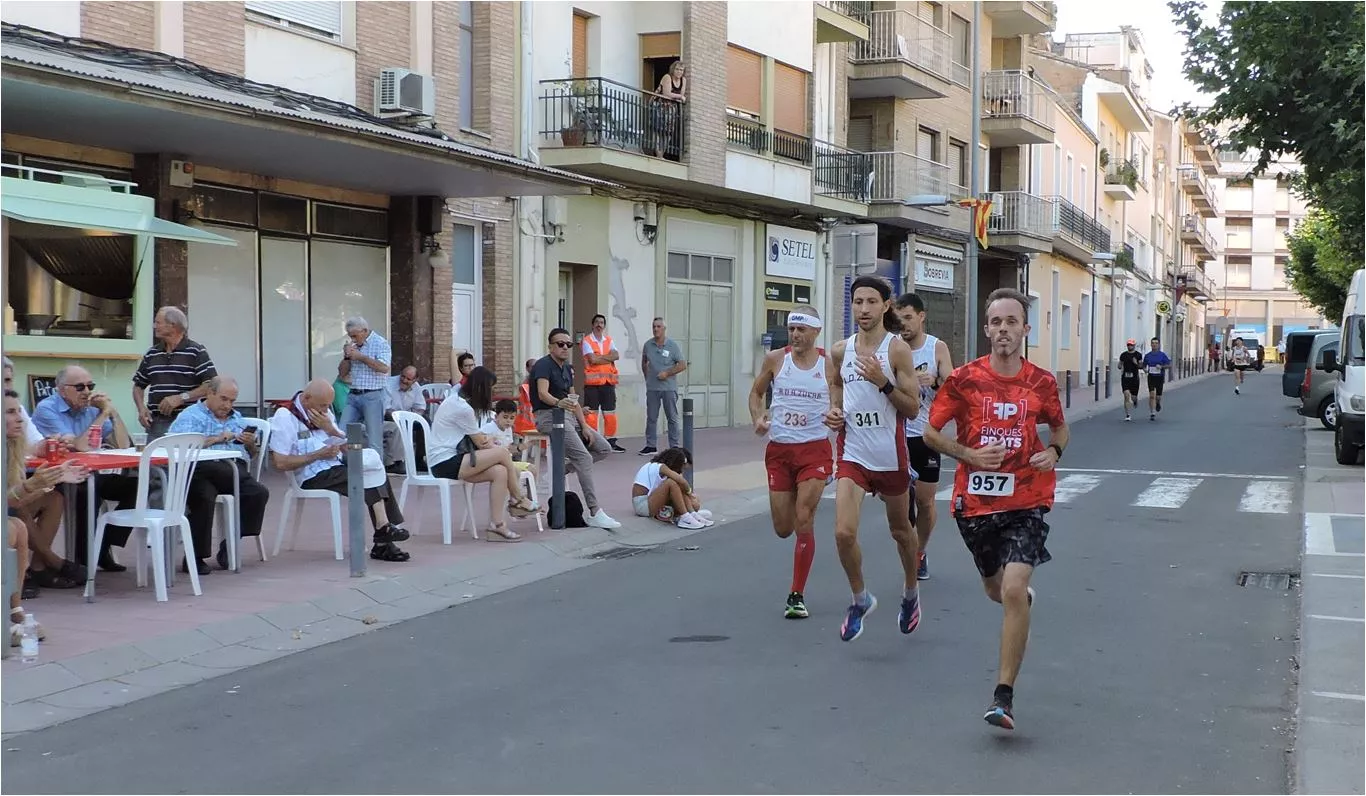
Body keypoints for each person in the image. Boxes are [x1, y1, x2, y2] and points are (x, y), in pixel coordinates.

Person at [923, 287, 1069, 731]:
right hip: (977, 504)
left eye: (1012, 322)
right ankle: (1016, 600)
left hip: (1027, 498)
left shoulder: (1042, 382)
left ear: (1025, 330)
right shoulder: (964, 379)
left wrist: (1054, 454)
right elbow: (931, 434)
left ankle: (1003, 696)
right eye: (996, 323)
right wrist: (967, 455)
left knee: (1012, 587)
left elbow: (1059, 430)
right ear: (986, 329)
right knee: (997, 590)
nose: (1004, 330)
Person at [823, 276, 922, 643]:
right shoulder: (839, 350)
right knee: (843, 533)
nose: (863, 309)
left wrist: (883, 382)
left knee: (901, 531)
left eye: (871, 302)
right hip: (853, 454)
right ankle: (860, 598)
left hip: (890, 454)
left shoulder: (897, 351)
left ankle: (911, 592)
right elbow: (836, 386)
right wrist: (834, 411)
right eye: (857, 302)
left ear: (885, 306)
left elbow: (912, 410)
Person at [269, 379, 412, 562]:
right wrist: (317, 455)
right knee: (362, 478)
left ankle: (384, 537)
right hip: (309, 475)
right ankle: (384, 536)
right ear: (306, 399)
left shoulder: (325, 414)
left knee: (375, 470)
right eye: (322, 405)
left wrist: (331, 430)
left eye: (328, 406)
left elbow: (348, 447)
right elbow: (280, 462)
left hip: (334, 466)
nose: (325, 410)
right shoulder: (286, 416)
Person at [749, 307, 832, 619]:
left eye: (802, 329)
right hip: (780, 451)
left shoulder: (829, 363)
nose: (795, 335)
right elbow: (756, 394)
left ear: (816, 332)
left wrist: (838, 413)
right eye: (792, 329)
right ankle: (797, 506)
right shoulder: (775, 360)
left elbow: (844, 398)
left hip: (814, 451)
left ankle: (796, 594)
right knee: (783, 528)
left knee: (803, 519)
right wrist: (757, 418)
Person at [31, 365, 138, 572]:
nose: (87, 392)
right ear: (62, 390)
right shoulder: (47, 409)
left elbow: (123, 446)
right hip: (57, 475)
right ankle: (85, 559)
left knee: (138, 485)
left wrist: (113, 413)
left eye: (91, 386)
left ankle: (103, 545)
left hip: (89, 473)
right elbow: (81, 446)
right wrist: (102, 414)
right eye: (80, 387)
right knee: (89, 490)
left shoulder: (91, 409)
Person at [170, 376, 272, 572]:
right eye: (224, 399)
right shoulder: (191, 416)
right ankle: (195, 558)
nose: (227, 405)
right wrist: (218, 438)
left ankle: (230, 545)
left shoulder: (237, 418)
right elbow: (178, 447)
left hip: (234, 470)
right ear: (210, 394)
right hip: (200, 469)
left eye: (232, 401)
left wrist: (249, 443)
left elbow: (252, 455)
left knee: (259, 493)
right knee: (204, 495)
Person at [427, 367, 539, 542]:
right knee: (502, 453)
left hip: (455, 458)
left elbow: (480, 440)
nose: (491, 394)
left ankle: (497, 526)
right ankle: (518, 499)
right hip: (445, 462)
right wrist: (491, 443)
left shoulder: (457, 395)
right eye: (490, 389)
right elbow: (481, 443)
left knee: (500, 472)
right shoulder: (463, 408)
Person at [531, 328, 621, 529]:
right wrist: (558, 403)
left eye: (568, 345)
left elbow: (574, 399)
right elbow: (543, 393)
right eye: (560, 344)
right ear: (550, 346)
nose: (565, 348)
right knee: (584, 457)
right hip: (548, 416)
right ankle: (595, 510)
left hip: (568, 416)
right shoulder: (543, 365)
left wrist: (585, 426)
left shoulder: (566, 368)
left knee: (603, 448)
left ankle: (558, 471)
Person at [895, 293, 953, 581]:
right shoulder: (892, 348)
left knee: (926, 502)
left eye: (907, 318)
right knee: (901, 502)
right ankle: (910, 548)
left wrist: (937, 381)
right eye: (898, 319)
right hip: (895, 435)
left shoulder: (936, 348)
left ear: (921, 316)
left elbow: (954, 391)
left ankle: (920, 550)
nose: (903, 324)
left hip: (925, 435)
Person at [6, 390, 88, 594]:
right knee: (16, 522)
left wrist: (53, 479)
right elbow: (10, 501)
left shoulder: (14, 445)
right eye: (10, 412)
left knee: (54, 498)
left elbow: (14, 498)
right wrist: (34, 484)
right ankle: (51, 562)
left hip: (9, 504)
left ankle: (39, 567)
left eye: (19, 411)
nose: (20, 418)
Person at [132, 306, 218, 438]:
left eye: (158, 322)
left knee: (186, 458)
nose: (155, 326)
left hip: (190, 420)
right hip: (157, 422)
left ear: (172, 325)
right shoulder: (152, 353)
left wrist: (181, 398)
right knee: (157, 458)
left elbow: (211, 385)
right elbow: (138, 385)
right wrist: (141, 409)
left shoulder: (195, 351)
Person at [339, 317, 392, 456]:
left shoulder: (380, 343)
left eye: (355, 336)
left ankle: (378, 474)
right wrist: (347, 357)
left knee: (373, 437)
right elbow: (342, 374)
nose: (353, 339)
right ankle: (346, 466)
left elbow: (384, 368)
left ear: (364, 331)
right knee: (341, 432)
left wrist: (361, 357)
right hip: (353, 394)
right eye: (350, 336)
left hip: (373, 395)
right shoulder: (353, 346)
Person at [631, 447, 712, 530]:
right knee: (672, 482)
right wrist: (690, 494)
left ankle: (691, 514)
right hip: (642, 506)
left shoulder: (659, 467)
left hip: (650, 501)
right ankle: (685, 517)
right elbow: (682, 481)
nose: (681, 470)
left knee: (681, 489)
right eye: (681, 466)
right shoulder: (660, 466)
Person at [639, 317, 687, 456]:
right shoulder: (648, 345)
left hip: (668, 388)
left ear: (664, 329)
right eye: (654, 326)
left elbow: (682, 364)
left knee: (671, 417)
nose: (656, 329)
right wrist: (647, 376)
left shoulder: (672, 345)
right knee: (651, 417)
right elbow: (644, 361)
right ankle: (651, 445)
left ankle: (674, 446)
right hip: (653, 388)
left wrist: (667, 373)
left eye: (659, 326)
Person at [582, 314, 627, 452]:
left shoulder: (609, 340)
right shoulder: (587, 340)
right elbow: (592, 360)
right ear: (592, 324)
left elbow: (617, 355)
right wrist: (607, 357)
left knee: (610, 414)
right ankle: (592, 442)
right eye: (596, 322)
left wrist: (599, 357)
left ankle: (611, 441)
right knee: (591, 415)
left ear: (604, 325)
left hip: (608, 383)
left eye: (602, 322)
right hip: (592, 384)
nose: (599, 325)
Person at [384, 365, 426, 470]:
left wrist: (412, 418)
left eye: (408, 379)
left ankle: (419, 459)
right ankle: (398, 462)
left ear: (415, 380)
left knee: (424, 422)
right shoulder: (389, 384)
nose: (404, 380)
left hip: (407, 418)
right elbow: (386, 410)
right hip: (389, 417)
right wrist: (402, 419)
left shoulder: (416, 387)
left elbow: (420, 408)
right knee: (397, 426)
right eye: (403, 377)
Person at [479, 399, 531, 474]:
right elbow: (480, 441)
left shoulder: (508, 429)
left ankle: (526, 485)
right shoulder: (489, 428)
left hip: (507, 462)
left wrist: (520, 448)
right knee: (515, 472)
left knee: (532, 469)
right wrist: (490, 444)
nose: (508, 421)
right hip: (492, 463)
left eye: (512, 418)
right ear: (496, 416)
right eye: (505, 417)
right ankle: (514, 486)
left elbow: (508, 448)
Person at [1142, 338, 1172, 421]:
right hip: (1151, 376)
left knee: (1158, 396)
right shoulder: (1147, 356)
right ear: (1151, 345)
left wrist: (1161, 367)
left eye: (1156, 343)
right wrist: (1144, 369)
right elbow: (1144, 366)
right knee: (1152, 395)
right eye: (1153, 343)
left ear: (1158, 345)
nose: (1154, 345)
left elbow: (1169, 365)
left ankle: (1158, 403)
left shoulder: (1162, 355)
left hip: (1159, 377)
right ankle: (1152, 413)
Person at [1118, 339, 1143, 422]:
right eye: (1128, 345)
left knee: (1133, 397)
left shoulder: (1138, 355)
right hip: (1125, 378)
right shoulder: (1123, 355)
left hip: (1134, 379)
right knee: (1126, 395)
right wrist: (1119, 366)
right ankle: (1128, 414)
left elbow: (1141, 366)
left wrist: (1136, 363)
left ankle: (1135, 401)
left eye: (1131, 345)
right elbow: (1120, 364)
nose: (1130, 346)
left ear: (1134, 345)